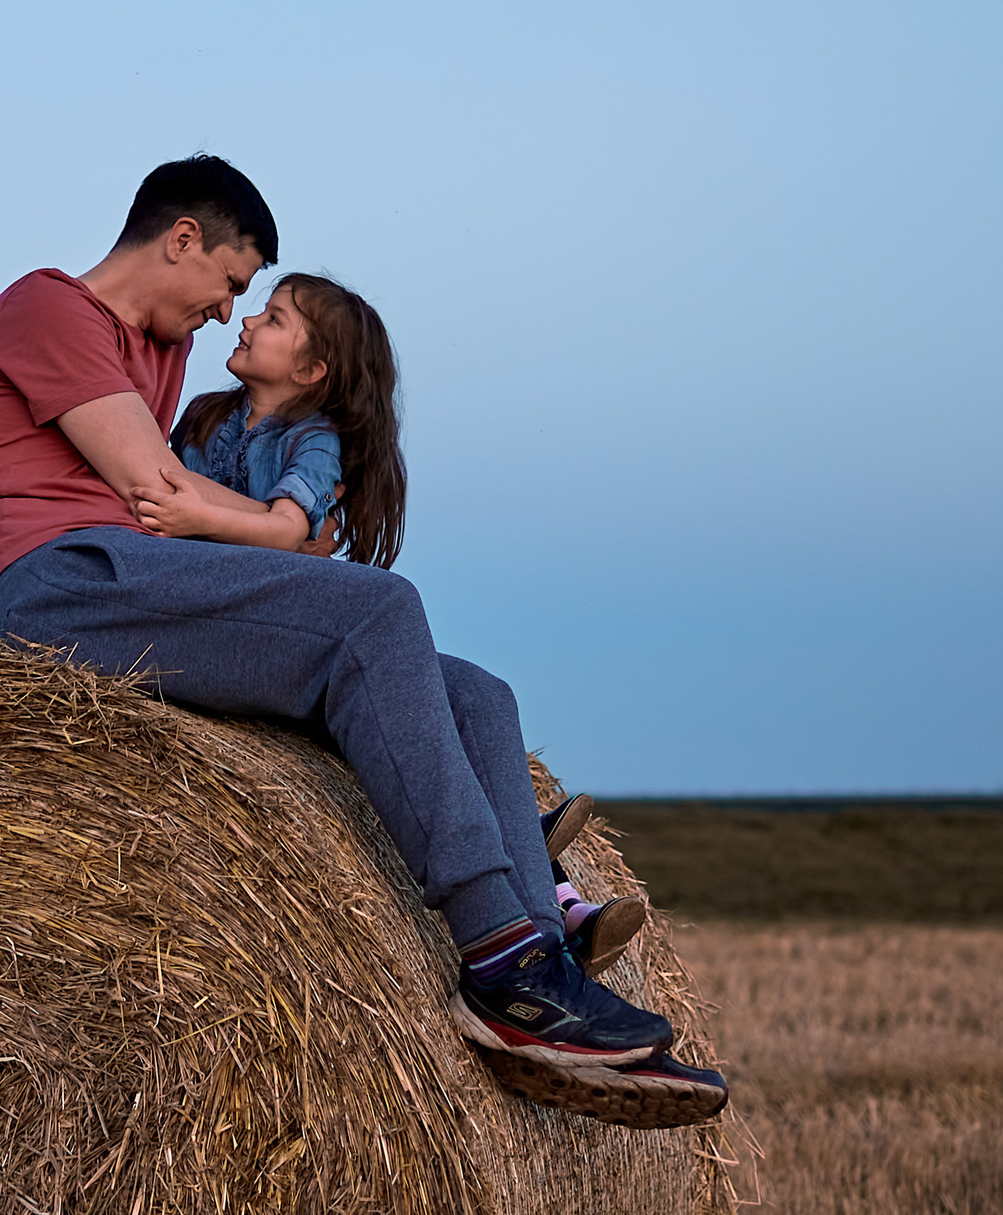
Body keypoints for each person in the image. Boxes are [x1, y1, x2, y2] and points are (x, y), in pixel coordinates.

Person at [0, 155, 722, 1126]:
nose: (230, 314)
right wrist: (282, 531)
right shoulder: (46, 309)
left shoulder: (161, 353)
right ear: (181, 238)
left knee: (476, 697)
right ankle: (500, 958)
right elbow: (158, 490)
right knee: (376, 607)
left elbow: (186, 507)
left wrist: (269, 528)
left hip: (136, 579)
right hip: (56, 587)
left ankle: (546, 979)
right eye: (230, 284)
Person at [140, 270, 651, 980]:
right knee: (397, 652)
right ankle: (540, 874)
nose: (248, 320)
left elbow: (287, 529)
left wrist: (201, 517)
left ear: (312, 369)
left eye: (274, 317)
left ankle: (544, 931)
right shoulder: (200, 419)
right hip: (228, 628)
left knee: (484, 695)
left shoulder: (314, 444)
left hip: (287, 624)